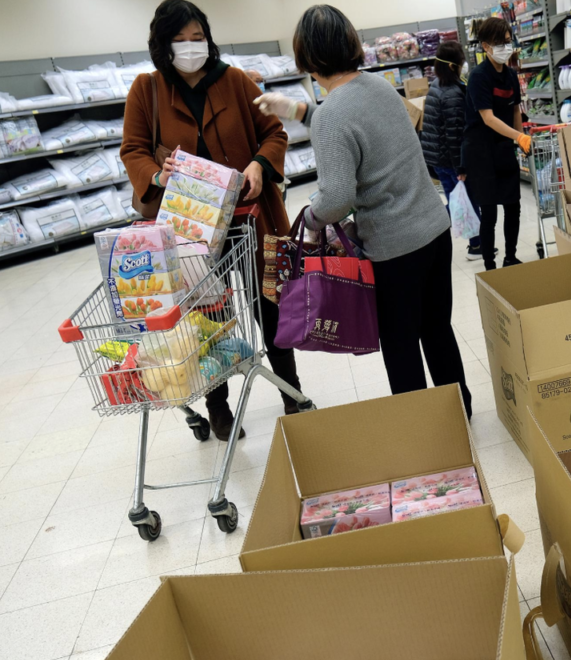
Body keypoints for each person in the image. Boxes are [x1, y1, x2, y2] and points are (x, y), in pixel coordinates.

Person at [254, 5, 473, 417]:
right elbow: (352, 121)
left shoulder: (331, 116)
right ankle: (460, 411)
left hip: (395, 248)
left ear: (308, 57)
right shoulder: (377, 85)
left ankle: (424, 428)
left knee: (401, 344)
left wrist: (311, 218)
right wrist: (296, 109)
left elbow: (337, 196)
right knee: (437, 329)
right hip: (433, 227)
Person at [121, 0, 308, 440]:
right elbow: (133, 149)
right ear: (163, 44)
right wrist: (157, 174)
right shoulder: (147, 90)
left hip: (252, 221)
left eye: (197, 38)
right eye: (180, 40)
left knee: (270, 307)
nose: (191, 47)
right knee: (207, 319)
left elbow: (274, 132)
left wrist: (260, 163)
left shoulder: (235, 80)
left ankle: (292, 393)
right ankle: (218, 406)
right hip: (192, 231)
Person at [462, 17, 531, 272]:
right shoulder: (478, 77)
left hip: (503, 148)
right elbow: (488, 118)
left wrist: (521, 138)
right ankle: (490, 266)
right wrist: (517, 137)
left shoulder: (511, 75)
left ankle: (510, 257)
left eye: (508, 41)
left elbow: (514, 111)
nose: (505, 47)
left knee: (513, 205)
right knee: (489, 211)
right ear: (485, 46)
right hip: (480, 151)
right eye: (499, 43)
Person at [420, 41, 485, 261]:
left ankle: (473, 243)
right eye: (461, 62)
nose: (463, 66)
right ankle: (475, 244)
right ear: (452, 66)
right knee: (466, 201)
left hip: (438, 159)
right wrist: (461, 167)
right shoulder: (452, 94)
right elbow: (454, 135)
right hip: (450, 159)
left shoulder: (437, 84)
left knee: (457, 201)